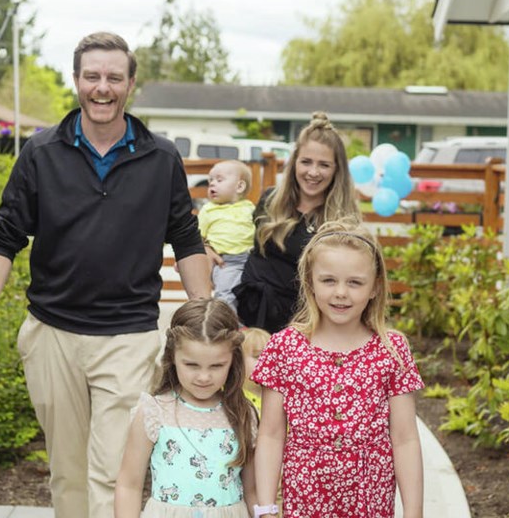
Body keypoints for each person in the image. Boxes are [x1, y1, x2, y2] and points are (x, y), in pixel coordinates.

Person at [0, 31, 212, 518]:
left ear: (130, 84)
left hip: (128, 336)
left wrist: (207, 319)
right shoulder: (41, 153)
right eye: (93, 76)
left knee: (113, 470)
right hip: (52, 335)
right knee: (68, 473)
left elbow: (185, 238)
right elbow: (3, 237)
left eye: (114, 78)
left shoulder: (161, 158)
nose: (103, 87)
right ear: (76, 80)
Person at [251, 219, 424, 518]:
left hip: (370, 499)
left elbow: (405, 437)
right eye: (328, 280)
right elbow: (271, 433)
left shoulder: (391, 349)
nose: (341, 292)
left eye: (355, 282)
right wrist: (266, 507)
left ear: (375, 287)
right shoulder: (285, 347)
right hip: (306, 497)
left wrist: (414, 511)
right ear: (310, 281)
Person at [115, 298, 258, 517]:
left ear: (232, 360)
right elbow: (129, 485)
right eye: (191, 364)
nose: (203, 377)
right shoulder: (154, 412)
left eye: (217, 366)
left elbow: (252, 491)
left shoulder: (242, 414)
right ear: (172, 357)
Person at [233, 111, 360, 333]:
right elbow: (236, 236)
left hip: (301, 327)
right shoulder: (270, 200)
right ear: (294, 164)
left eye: (324, 165)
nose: (313, 172)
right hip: (249, 319)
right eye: (306, 162)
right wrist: (208, 245)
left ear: (337, 170)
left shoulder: (342, 222)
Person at [199, 160, 255, 311]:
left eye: (219, 180)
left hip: (250, 259)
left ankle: (244, 325)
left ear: (240, 186)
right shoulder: (208, 210)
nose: (212, 184)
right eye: (210, 180)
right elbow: (196, 235)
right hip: (225, 262)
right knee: (226, 295)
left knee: (250, 294)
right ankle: (227, 327)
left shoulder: (249, 208)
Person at [241, 327, 271, 416]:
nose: (267, 361)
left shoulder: (280, 397)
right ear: (237, 361)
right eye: (258, 356)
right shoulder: (230, 398)